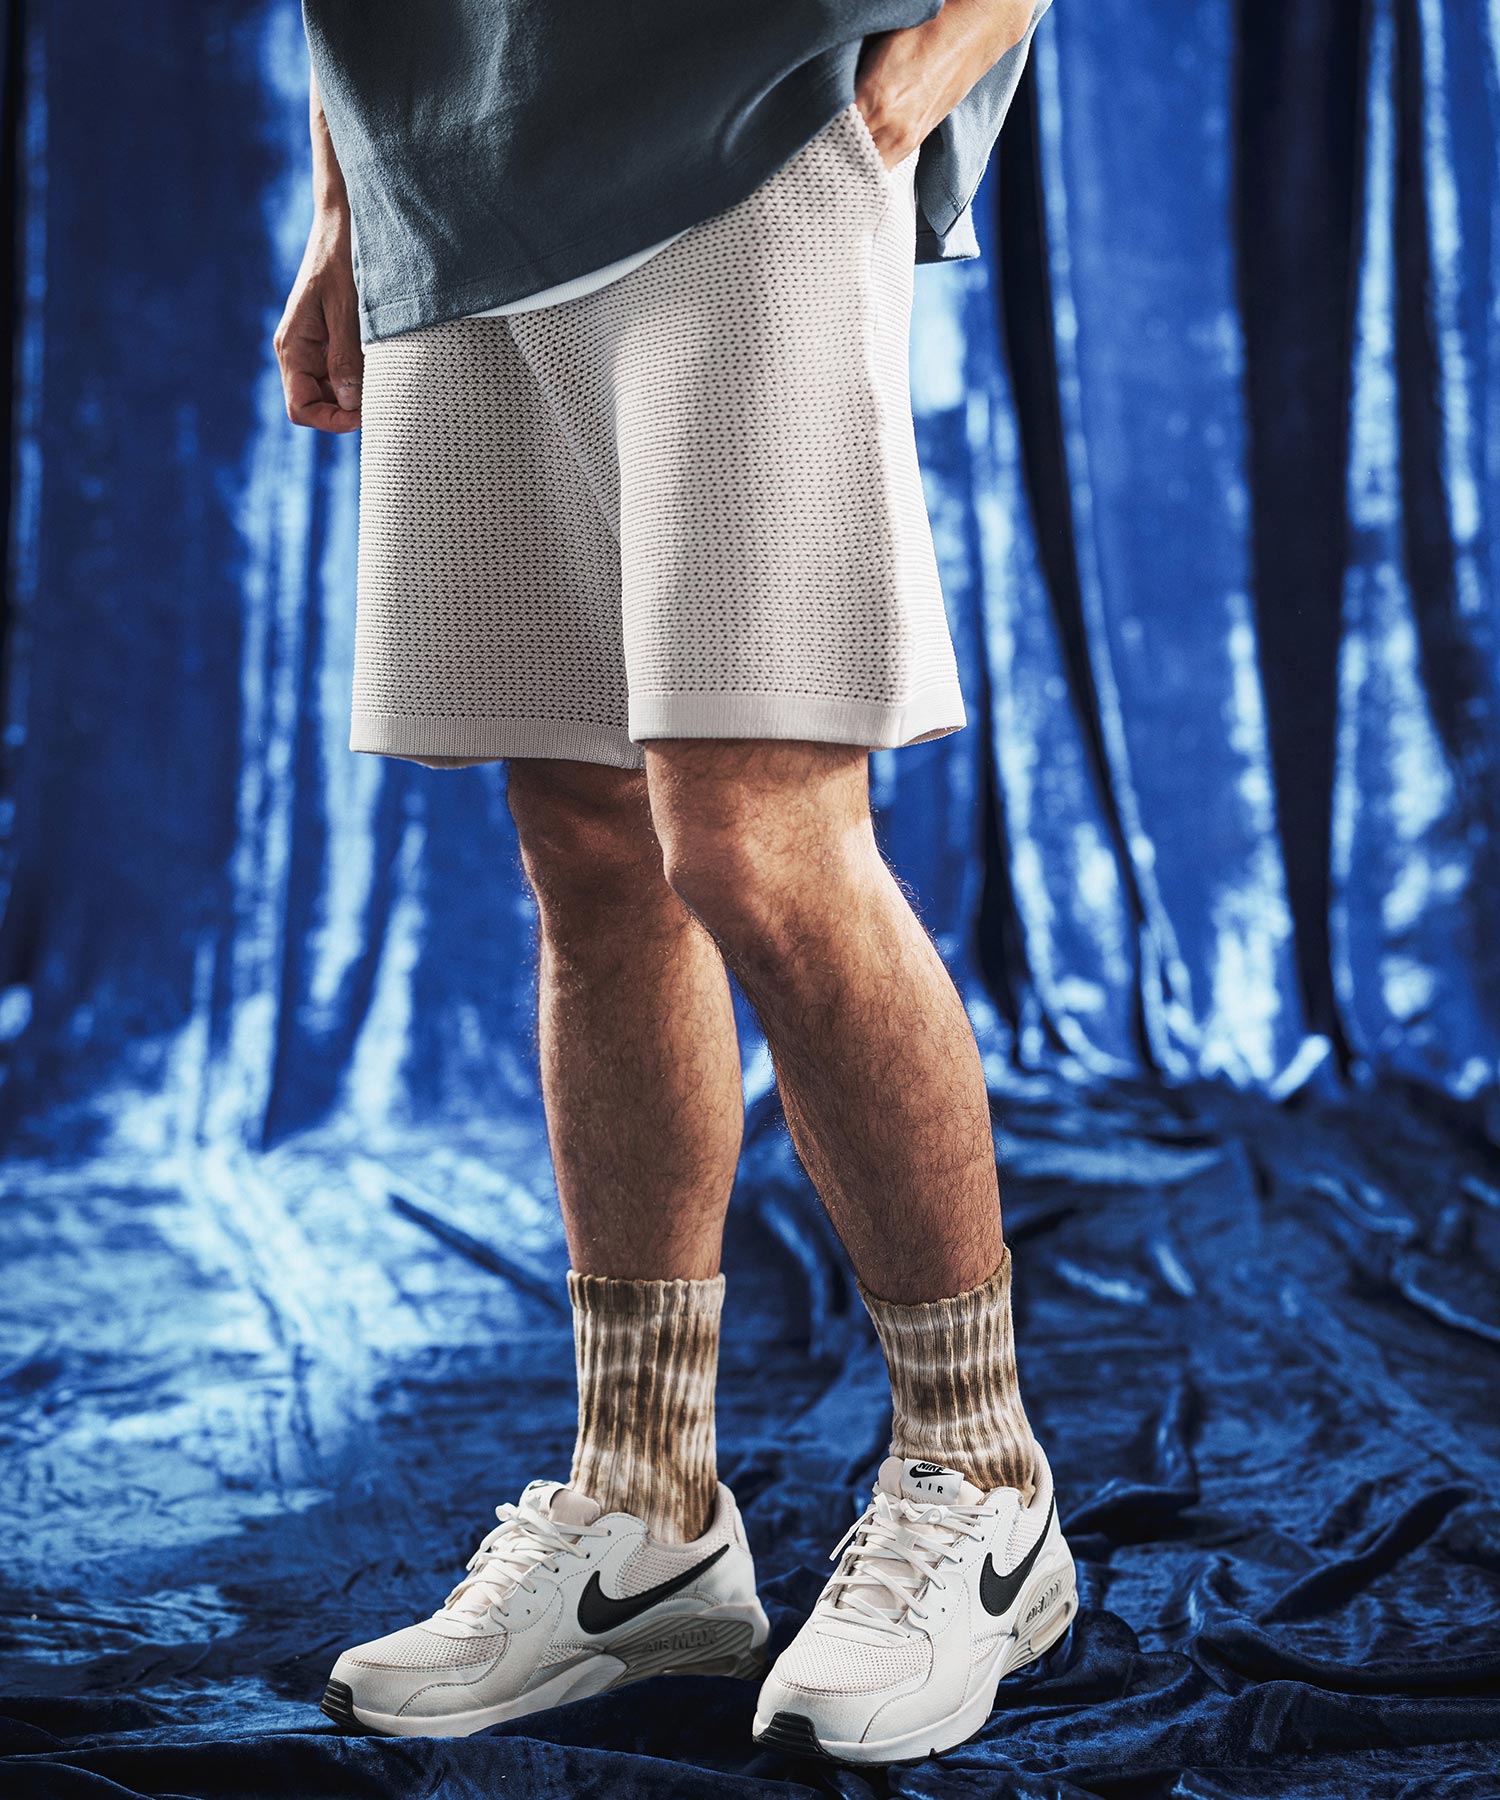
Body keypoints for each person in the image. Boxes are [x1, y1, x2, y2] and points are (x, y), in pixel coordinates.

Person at [277, 0, 1073, 1766]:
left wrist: (953, 49)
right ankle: (646, 1516)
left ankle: (982, 1483)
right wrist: (344, 199)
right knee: (587, 838)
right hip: (438, 165)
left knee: (756, 833)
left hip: (749, 115)